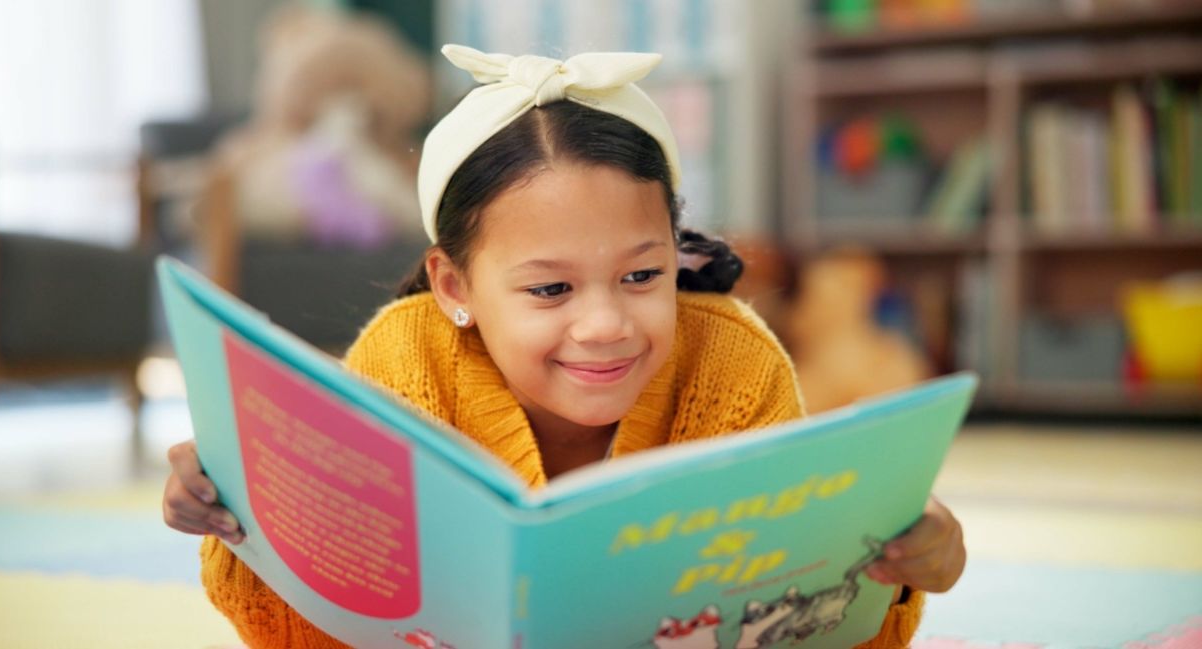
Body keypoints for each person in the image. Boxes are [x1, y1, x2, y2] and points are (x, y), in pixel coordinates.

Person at [162, 44, 966, 649]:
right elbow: (303, 630)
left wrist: (893, 564)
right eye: (550, 289)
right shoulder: (403, 361)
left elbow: (808, 618)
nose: (605, 325)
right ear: (454, 288)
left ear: (674, 249)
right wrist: (243, 514)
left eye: (642, 274)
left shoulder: (735, 364)